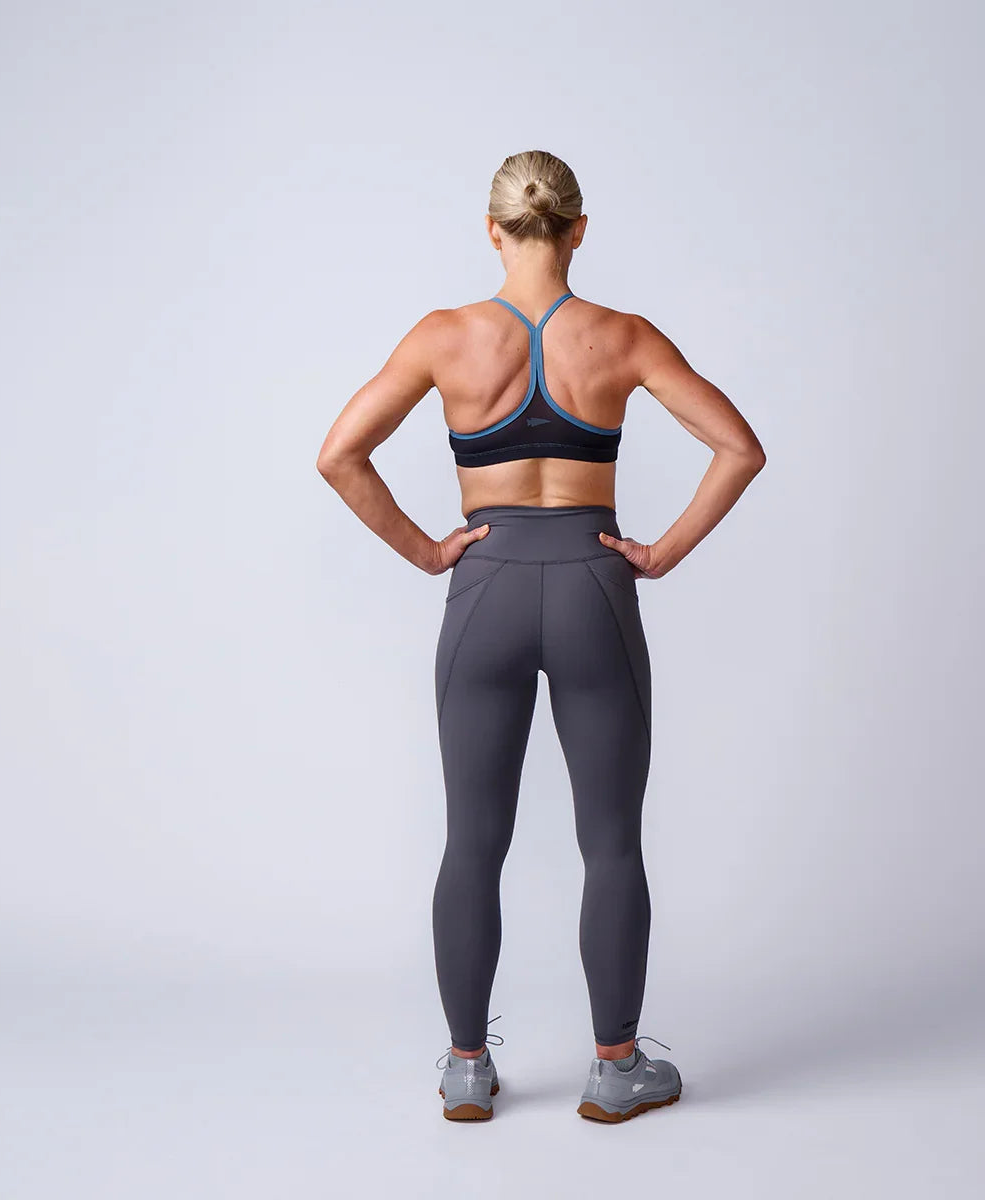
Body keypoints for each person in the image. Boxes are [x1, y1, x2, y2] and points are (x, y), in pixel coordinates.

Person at [315, 149, 766, 1122]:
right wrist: (665, 551)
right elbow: (740, 448)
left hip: (485, 589)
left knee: (472, 841)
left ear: (492, 230)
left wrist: (431, 552)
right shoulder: (623, 337)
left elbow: (338, 454)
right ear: (578, 229)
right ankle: (615, 1068)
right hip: (597, 582)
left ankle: (468, 1068)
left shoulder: (444, 337)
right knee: (610, 841)